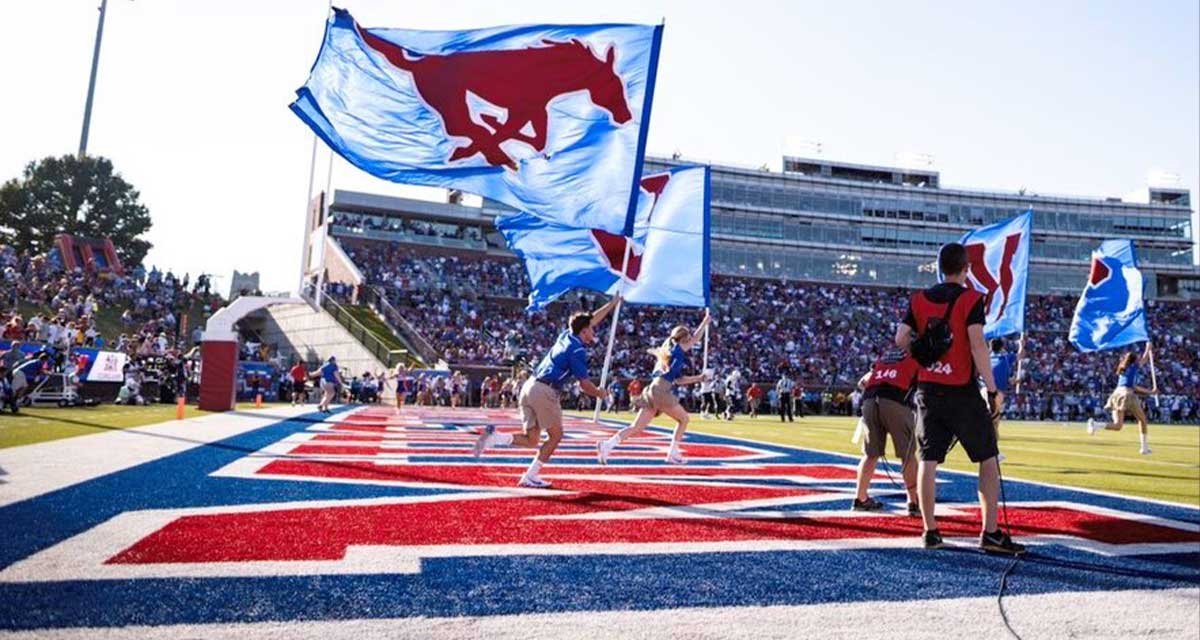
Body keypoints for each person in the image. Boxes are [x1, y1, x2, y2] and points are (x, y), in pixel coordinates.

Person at [896, 242, 1023, 555]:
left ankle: (930, 531)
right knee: (987, 458)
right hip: (961, 389)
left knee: (928, 459)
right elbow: (978, 344)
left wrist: (924, 354)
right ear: (965, 270)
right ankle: (990, 532)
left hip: (928, 389)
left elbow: (900, 338)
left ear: (940, 268)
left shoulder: (919, 299)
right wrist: (992, 389)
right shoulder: (970, 299)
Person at [474, 296, 619, 488]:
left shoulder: (566, 336)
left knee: (532, 439)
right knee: (556, 436)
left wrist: (612, 304)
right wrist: (600, 393)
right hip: (545, 391)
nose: (594, 330)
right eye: (591, 329)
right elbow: (584, 384)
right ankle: (530, 475)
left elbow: (590, 319)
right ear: (584, 331)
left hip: (530, 386)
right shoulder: (577, 350)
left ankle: (495, 438)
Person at [597, 310, 712, 465]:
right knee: (684, 419)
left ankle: (607, 445)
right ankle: (673, 452)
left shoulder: (668, 351)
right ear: (683, 338)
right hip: (661, 392)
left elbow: (678, 380)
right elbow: (696, 338)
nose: (690, 340)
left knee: (636, 427)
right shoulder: (678, 349)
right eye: (688, 337)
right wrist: (704, 323)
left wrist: (698, 378)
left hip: (652, 390)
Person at [851, 349, 920, 515]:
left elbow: (863, 382)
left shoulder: (886, 356)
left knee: (870, 454)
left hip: (869, 399)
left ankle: (860, 498)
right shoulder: (919, 354)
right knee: (907, 454)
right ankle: (913, 502)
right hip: (895, 398)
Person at [1088, 343, 1156, 454]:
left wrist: (1151, 392)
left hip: (1116, 394)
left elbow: (1133, 385)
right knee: (1142, 420)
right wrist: (1148, 348)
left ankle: (1096, 424)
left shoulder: (1123, 369)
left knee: (1118, 425)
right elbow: (1144, 360)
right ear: (1134, 360)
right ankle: (1144, 448)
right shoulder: (1134, 367)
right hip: (1127, 395)